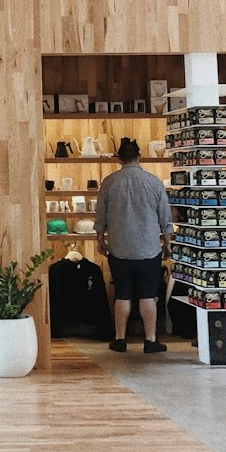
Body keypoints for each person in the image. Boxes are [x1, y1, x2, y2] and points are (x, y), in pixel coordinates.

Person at [94, 136, 173, 354]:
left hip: (119, 248)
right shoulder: (154, 182)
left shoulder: (109, 182)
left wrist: (100, 240)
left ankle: (119, 339)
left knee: (122, 294)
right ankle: (150, 340)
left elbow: (100, 215)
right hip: (148, 249)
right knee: (148, 295)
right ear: (140, 157)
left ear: (119, 159)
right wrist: (167, 244)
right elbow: (165, 218)